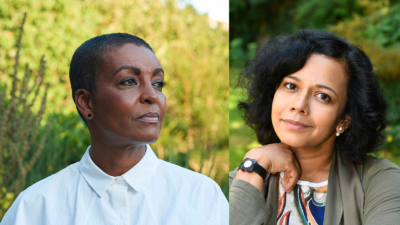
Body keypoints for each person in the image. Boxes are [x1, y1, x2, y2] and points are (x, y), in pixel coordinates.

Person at [1, 33, 228, 225]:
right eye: (129, 81)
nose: (152, 95)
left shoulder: (202, 198)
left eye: (158, 83)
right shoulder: (35, 209)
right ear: (86, 102)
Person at [229, 29, 400, 225]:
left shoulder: (381, 182)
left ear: (344, 119)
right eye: (291, 86)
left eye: (323, 96)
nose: (299, 105)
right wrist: (254, 164)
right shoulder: (244, 179)